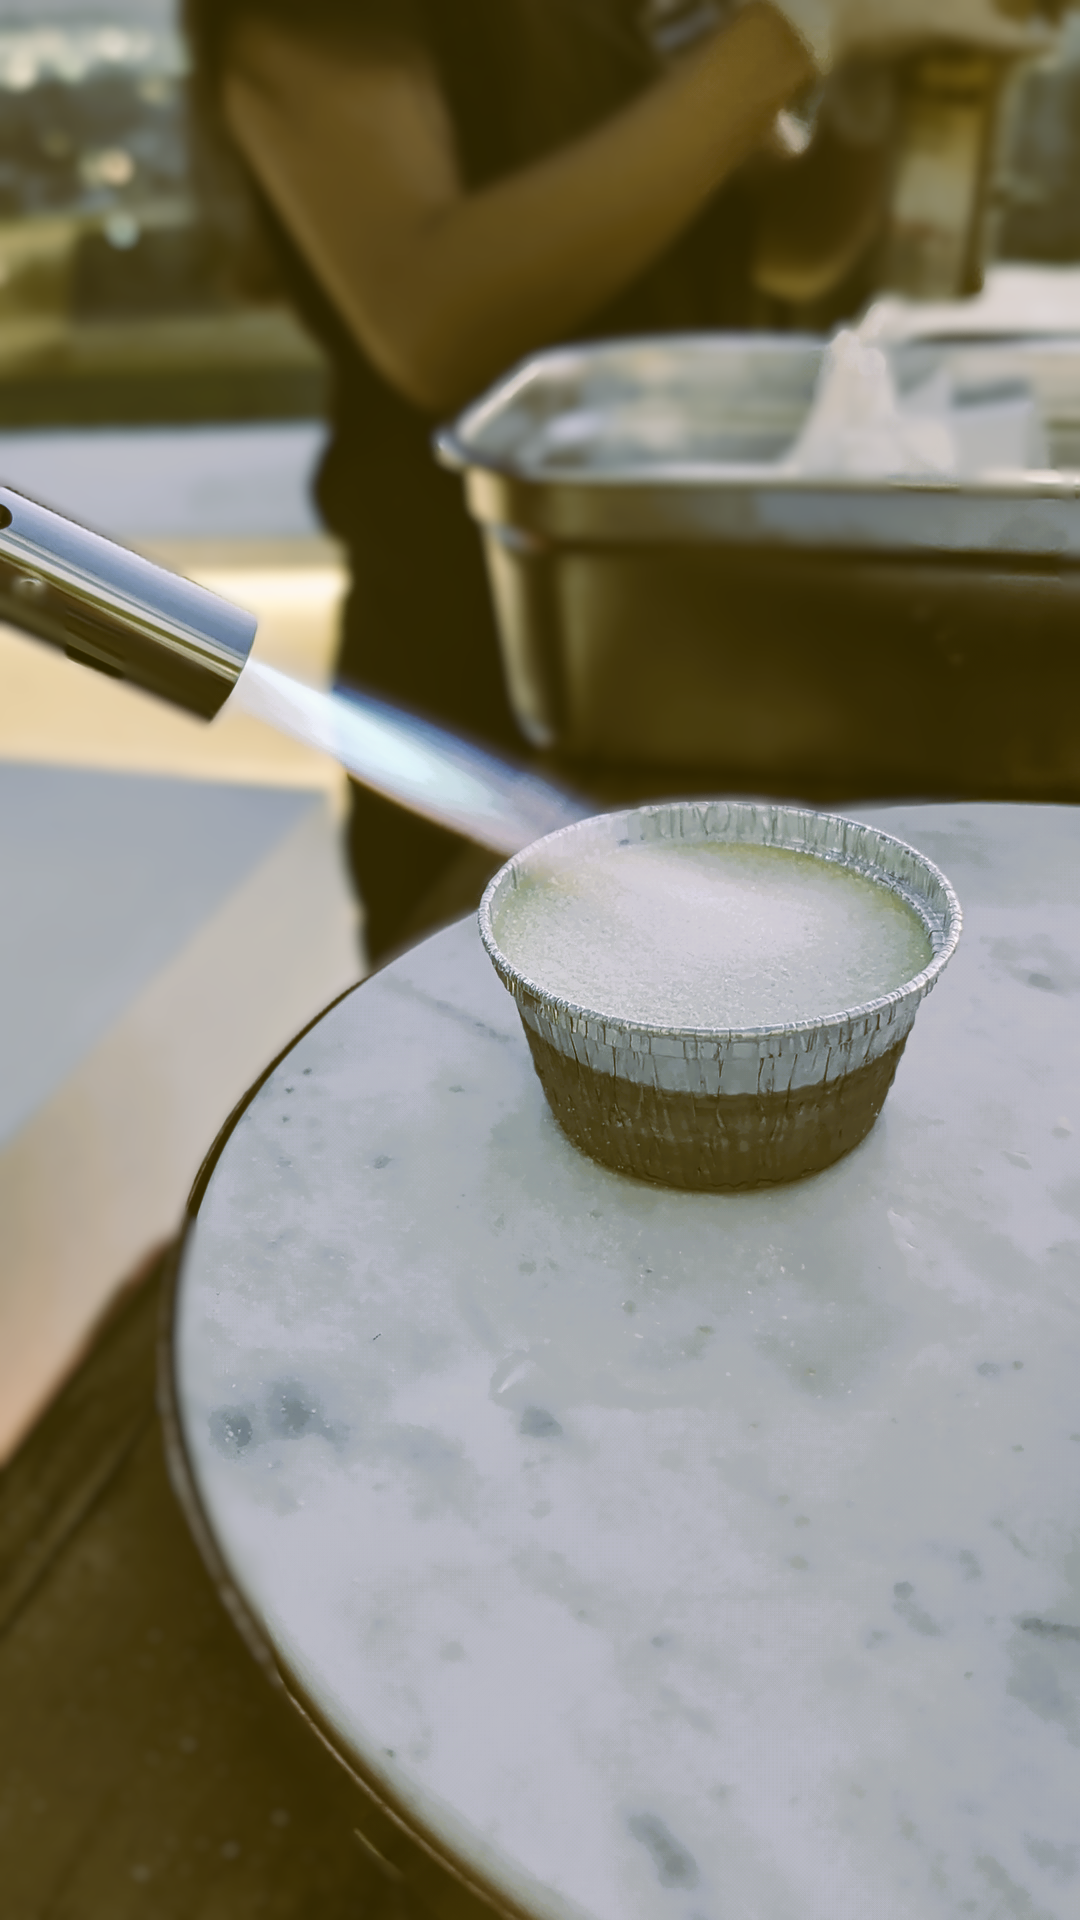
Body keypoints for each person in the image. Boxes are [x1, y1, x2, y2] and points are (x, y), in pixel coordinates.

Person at [183, 0, 1048, 961]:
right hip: (495, 659)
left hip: (710, 647)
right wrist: (796, 30)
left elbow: (786, 246)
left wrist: (884, 79)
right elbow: (432, 322)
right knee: (516, 1021)